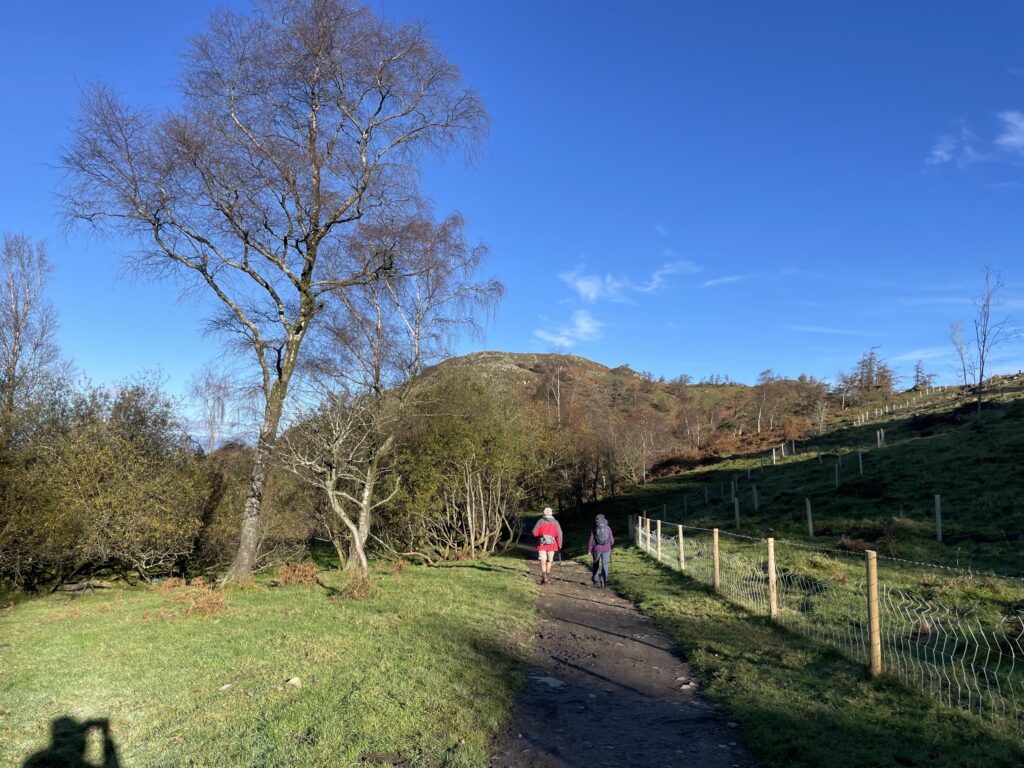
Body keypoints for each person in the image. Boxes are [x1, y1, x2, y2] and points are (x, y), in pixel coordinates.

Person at [531, 507, 562, 585]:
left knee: (543, 560)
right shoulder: (555, 522)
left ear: (544, 513)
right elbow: (559, 534)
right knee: (549, 561)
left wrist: (541, 534)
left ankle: (544, 576)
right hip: (552, 544)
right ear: (551, 513)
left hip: (542, 544)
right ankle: (547, 576)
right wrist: (559, 545)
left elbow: (534, 533)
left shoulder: (540, 521)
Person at [587, 514, 614, 587]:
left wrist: (589, 550)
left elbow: (591, 539)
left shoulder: (594, 528)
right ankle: (603, 580)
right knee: (605, 564)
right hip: (607, 549)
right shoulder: (608, 528)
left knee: (596, 563)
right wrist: (610, 544)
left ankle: (595, 579)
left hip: (597, 549)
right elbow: (612, 541)